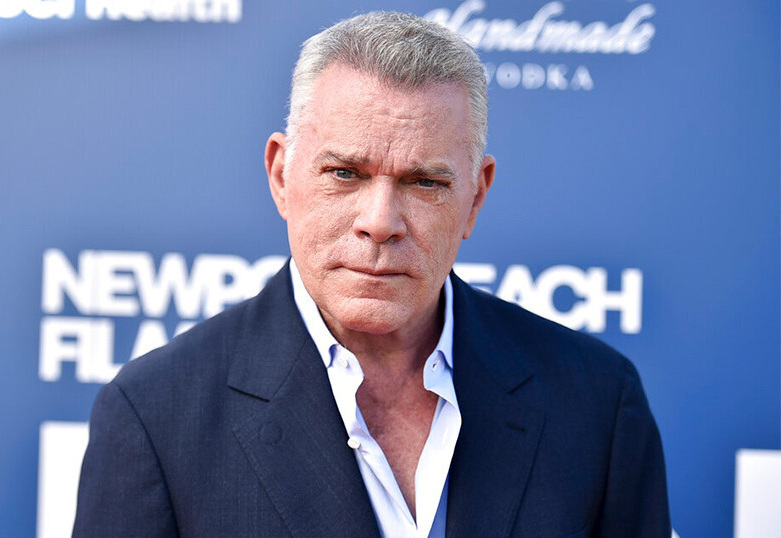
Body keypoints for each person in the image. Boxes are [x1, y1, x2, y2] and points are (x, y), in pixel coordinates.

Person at [73, 11, 670, 537]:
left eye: (425, 181)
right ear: (281, 176)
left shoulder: (596, 400)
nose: (380, 222)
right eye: (344, 173)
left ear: (475, 197)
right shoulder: (155, 416)